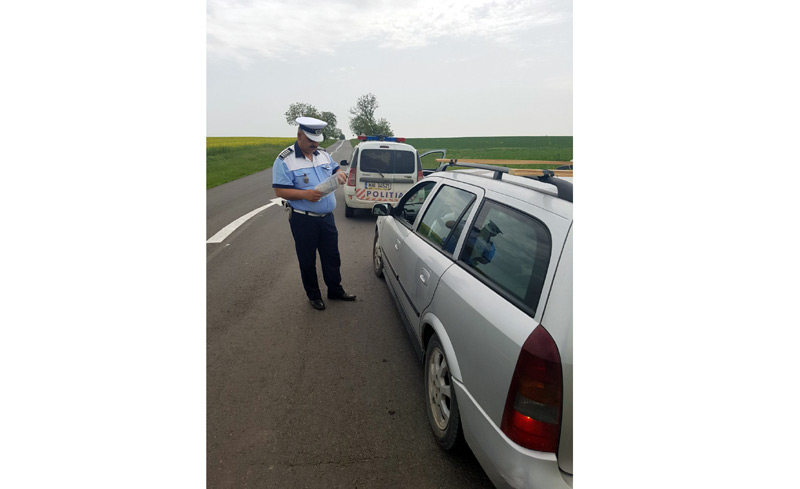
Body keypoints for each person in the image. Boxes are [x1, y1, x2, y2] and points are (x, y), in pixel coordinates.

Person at [272, 116, 356, 310]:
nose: (314, 144)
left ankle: (335, 290)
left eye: (317, 140)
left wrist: (340, 173)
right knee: (307, 260)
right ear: (299, 135)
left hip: (327, 218)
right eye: (310, 140)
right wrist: (305, 194)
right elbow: (279, 190)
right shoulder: (285, 160)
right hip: (303, 219)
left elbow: (335, 168)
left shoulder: (323, 154)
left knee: (332, 257)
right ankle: (314, 295)